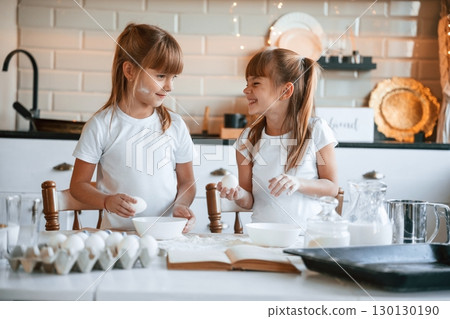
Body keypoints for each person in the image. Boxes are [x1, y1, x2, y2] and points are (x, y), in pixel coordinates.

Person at [70, 23, 196, 232]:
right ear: (129, 70)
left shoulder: (175, 125)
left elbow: (188, 181)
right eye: (161, 76)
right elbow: (78, 186)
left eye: (173, 77)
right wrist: (106, 201)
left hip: (164, 235)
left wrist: (181, 204)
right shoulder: (101, 126)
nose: (170, 86)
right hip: (116, 237)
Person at [217, 47, 338, 229]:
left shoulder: (316, 131)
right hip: (262, 236)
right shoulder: (247, 140)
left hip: (307, 238)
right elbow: (249, 200)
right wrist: (238, 195)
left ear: (285, 91)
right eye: (247, 83)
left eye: (255, 83)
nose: (246, 90)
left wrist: (298, 183)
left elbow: (332, 188)